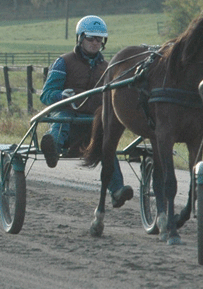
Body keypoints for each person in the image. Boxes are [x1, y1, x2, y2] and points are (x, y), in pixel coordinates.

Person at [39, 15, 133, 208]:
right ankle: (53, 149)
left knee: (108, 145)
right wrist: (60, 96)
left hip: (93, 123)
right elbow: (46, 95)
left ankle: (117, 190)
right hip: (67, 119)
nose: (95, 43)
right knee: (62, 118)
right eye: (91, 38)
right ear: (80, 38)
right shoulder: (63, 62)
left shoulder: (108, 68)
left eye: (99, 39)